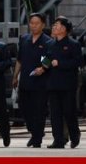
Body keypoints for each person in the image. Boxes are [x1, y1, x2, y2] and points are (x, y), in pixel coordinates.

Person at [13, 12, 53, 148]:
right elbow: (20, 60)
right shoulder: (24, 39)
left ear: (42, 25)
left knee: (39, 111)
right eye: (31, 23)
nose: (34, 26)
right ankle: (34, 132)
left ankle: (36, 138)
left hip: (40, 82)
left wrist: (43, 68)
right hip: (25, 80)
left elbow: (48, 59)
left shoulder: (47, 41)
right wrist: (15, 76)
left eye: (37, 23)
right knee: (25, 109)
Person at [44, 16, 82, 149]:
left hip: (67, 84)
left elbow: (78, 62)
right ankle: (58, 140)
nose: (54, 27)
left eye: (57, 25)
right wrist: (43, 66)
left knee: (69, 111)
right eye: (54, 25)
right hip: (52, 84)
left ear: (64, 29)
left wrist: (60, 63)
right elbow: (46, 59)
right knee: (55, 114)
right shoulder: (50, 44)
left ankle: (74, 135)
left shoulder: (73, 44)